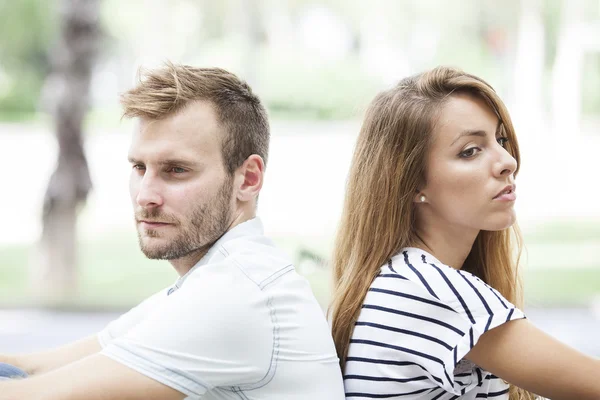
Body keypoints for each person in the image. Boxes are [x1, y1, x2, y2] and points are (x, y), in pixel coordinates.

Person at [0, 63, 344, 399]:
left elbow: (31, 394)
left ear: (248, 179)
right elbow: (35, 368)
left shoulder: (235, 293)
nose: (145, 195)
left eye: (176, 170)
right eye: (139, 167)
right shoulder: (213, 277)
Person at [329, 66, 600, 400]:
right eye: (470, 150)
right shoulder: (429, 291)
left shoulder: (402, 278)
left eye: (500, 140)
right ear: (413, 184)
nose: (507, 161)